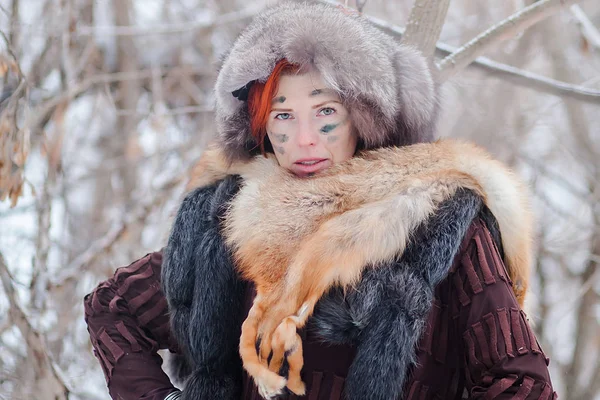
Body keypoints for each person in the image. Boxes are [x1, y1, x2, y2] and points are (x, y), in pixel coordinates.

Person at [83, 2, 556, 399]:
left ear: (364, 116)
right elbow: (112, 308)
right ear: (261, 127)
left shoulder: (441, 219)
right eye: (283, 115)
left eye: (325, 112)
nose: (304, 139)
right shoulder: (229, 217)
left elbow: (521, 382)